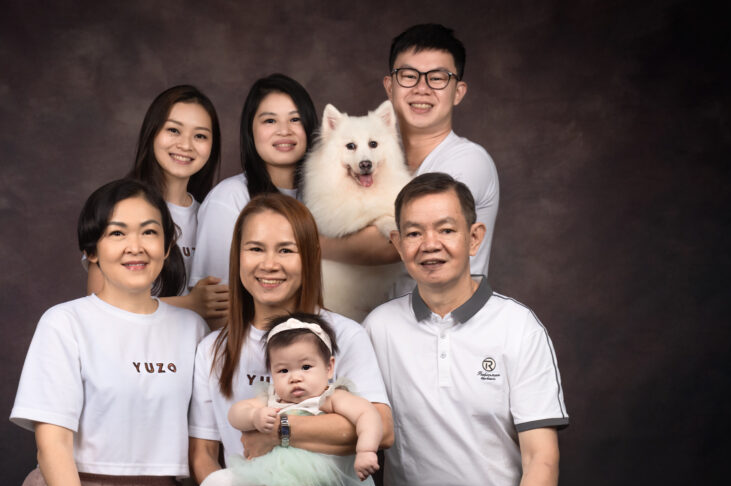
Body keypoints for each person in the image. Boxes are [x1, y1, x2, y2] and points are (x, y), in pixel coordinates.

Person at [338, 173, 568, 486]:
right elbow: (347, 422)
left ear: (474, 236)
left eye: (445, 229)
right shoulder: (378, 328)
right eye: (414, 232)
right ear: (398, 243)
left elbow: (542, 457)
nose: (430, 245)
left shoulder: (518, 327)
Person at [8, 178, 209, 486]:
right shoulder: (65, 323)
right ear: (92, 248)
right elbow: (50, 440)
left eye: (149, 232)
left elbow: (202, 438)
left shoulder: (192, 331)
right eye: (118, 233)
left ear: (167, 246)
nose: (135, 246)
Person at [187, 193, 393, 486]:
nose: (269, 264)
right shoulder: (211, 351)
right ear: (238, 257)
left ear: (309, 257)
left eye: (286, 249)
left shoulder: (343, 336)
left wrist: (279, 429)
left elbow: (377, 428)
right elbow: (203, 456)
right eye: (255, 249)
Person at [162, 312, 380, 486]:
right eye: (283, 370)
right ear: (272, 373)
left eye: (306, 367)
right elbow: (236, 414)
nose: (295, 377)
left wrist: (366, 450)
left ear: (329, 367)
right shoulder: (271, 399)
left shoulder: (331, 397)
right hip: (260, 478)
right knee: (219, 482)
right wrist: (254, 416)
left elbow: (369, 415)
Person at [320, 23, 500, 296]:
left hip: (447, 326)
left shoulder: (468, 161)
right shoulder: (382, 161)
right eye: (409, 76)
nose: (422, 89)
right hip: (383, 326)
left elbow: (395, 243)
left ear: (459, 92)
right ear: (390, 87)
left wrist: (304, 245)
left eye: (437, 78)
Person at [86, 85, 229, 324]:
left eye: (200, 136)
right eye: (174, 130)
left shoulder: (213, 214)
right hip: (137, 356)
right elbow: (98, 309)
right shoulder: (118, 207)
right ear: (152, 132)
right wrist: (190, 304)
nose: (186, 145)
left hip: (198, 356)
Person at [187, 73, 319, 288]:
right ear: (251, 130)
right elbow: (216, 299)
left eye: (295, 119)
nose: (284, 131)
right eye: (270, 120)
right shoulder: (230, 198)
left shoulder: (324, 199)